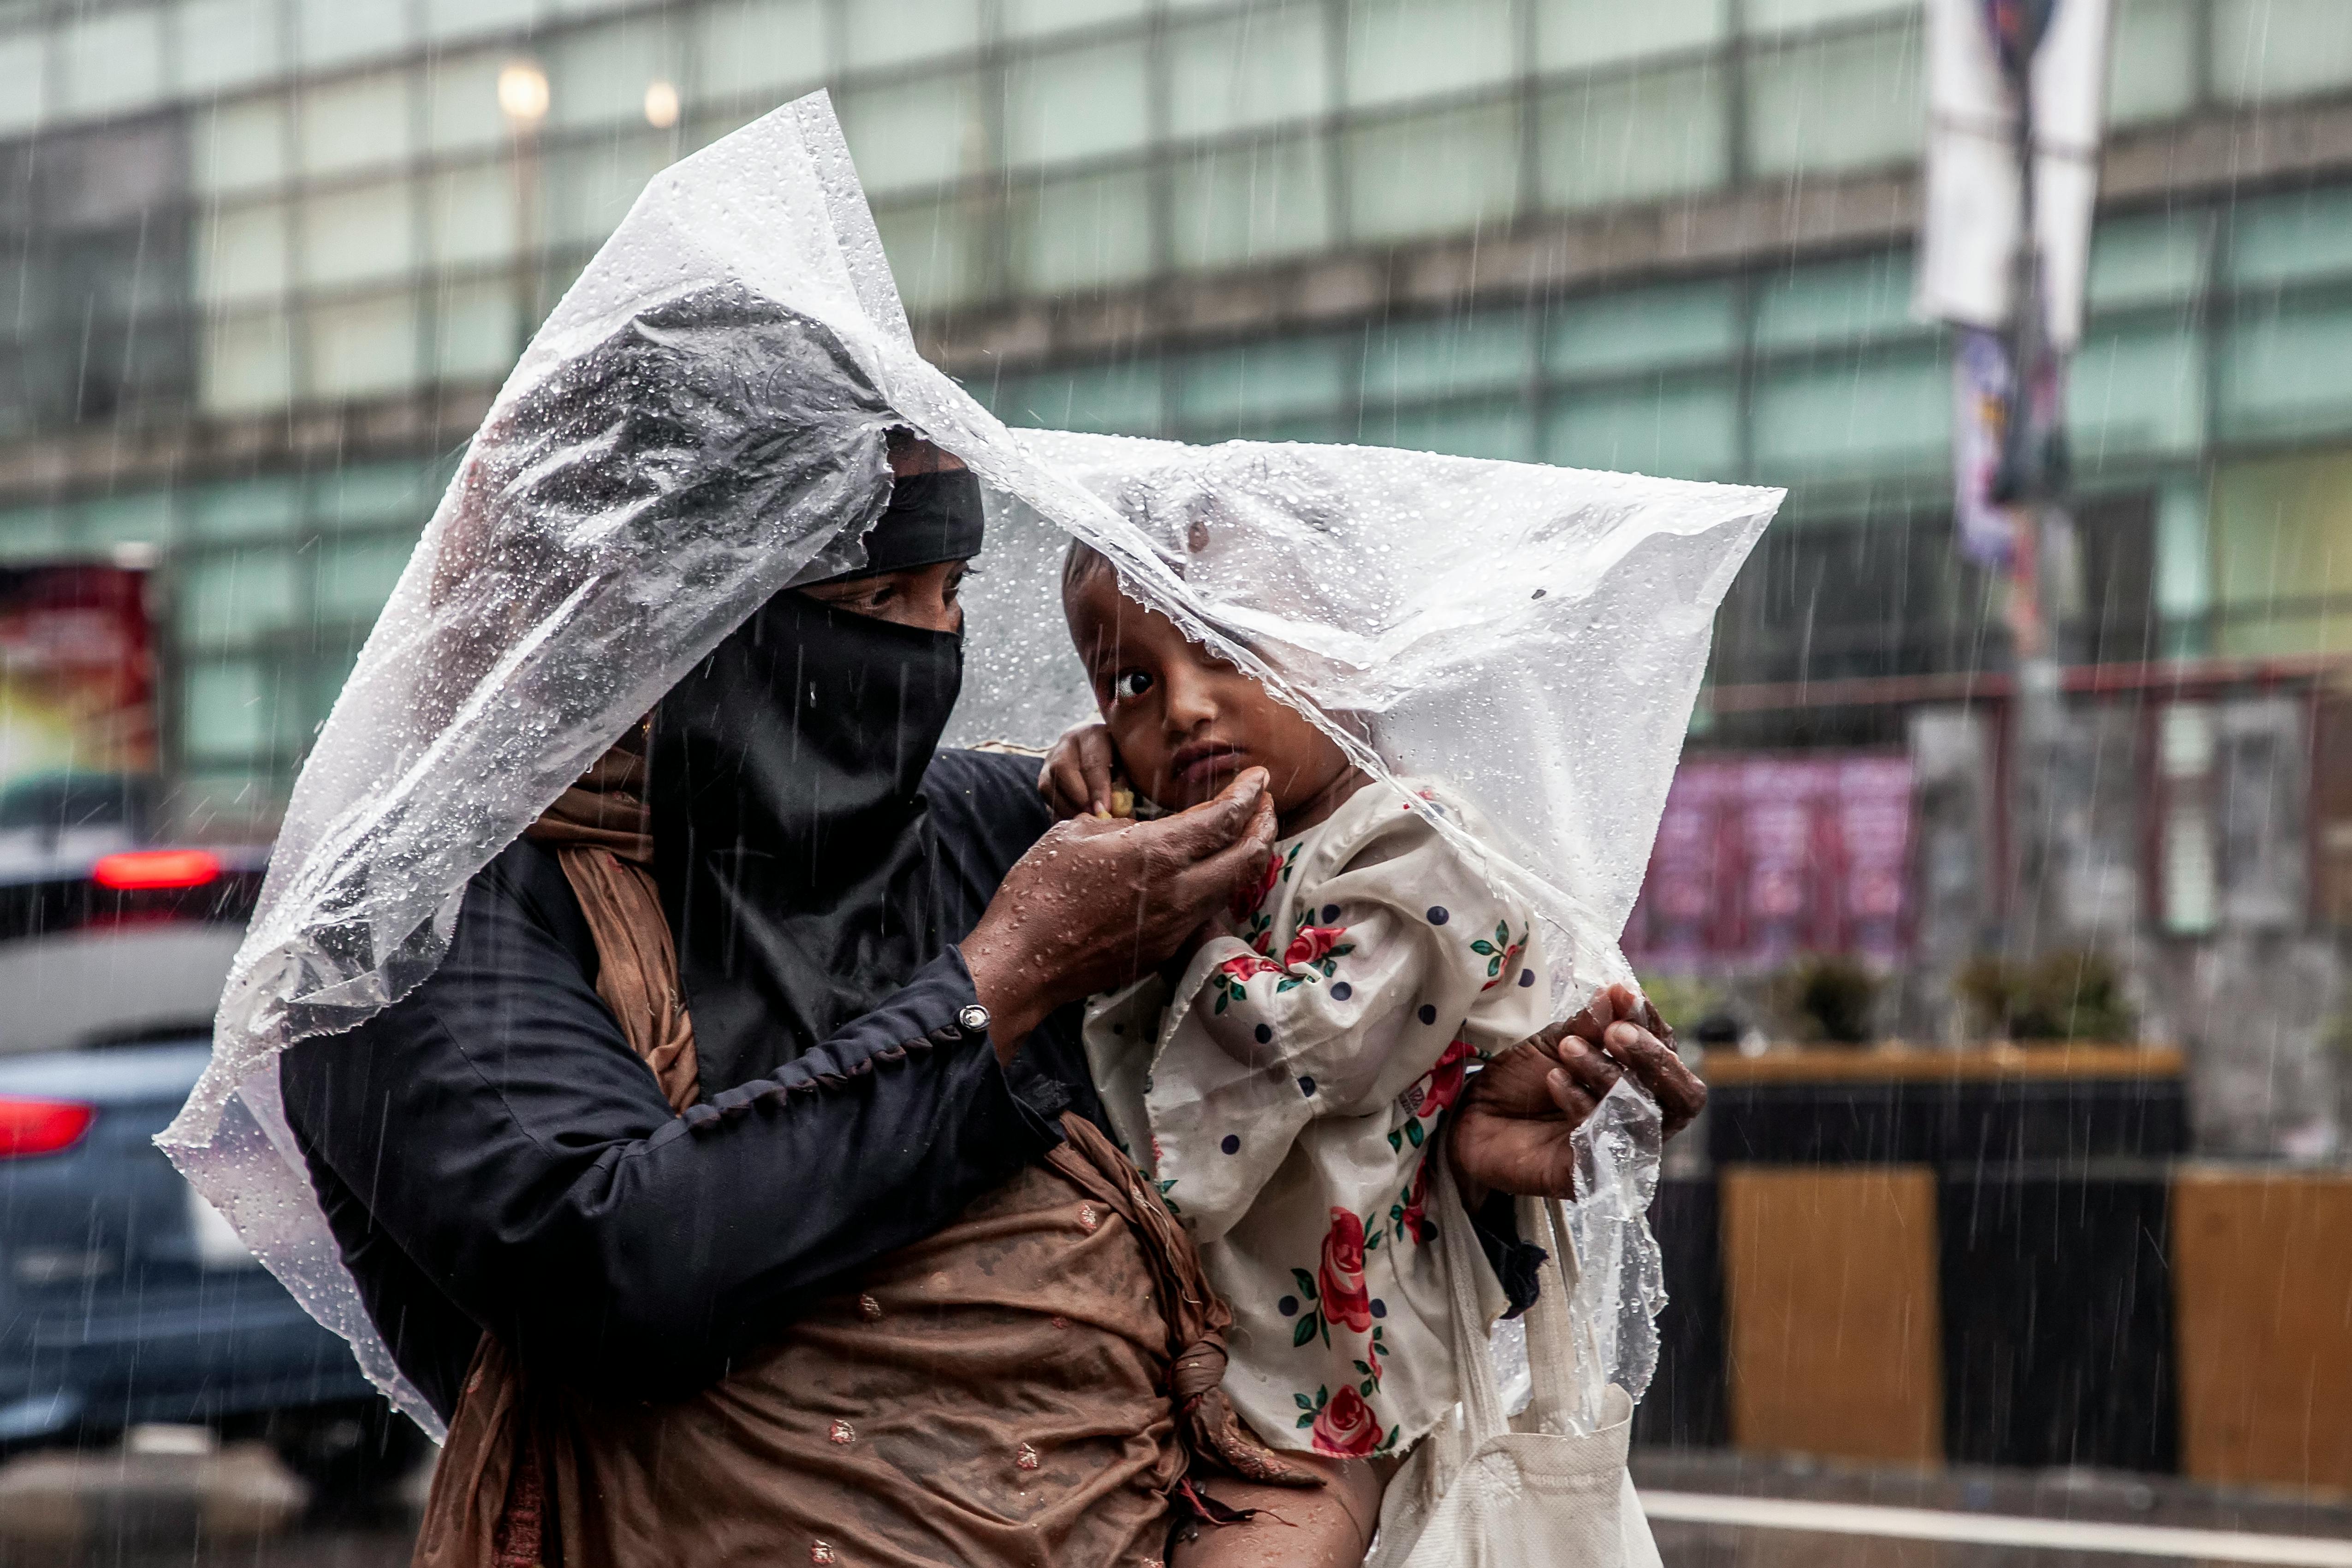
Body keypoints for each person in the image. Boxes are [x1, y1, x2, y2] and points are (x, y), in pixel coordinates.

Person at [280, 291, 1703, 1566]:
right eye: (869, 601)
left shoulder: (988, 833)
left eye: (948, 596)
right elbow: (612, 1270)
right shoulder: (412, 931)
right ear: (660, 615)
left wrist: (1451, 1138)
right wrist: (999, 983)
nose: (923, 657)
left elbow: (1266, 1178)